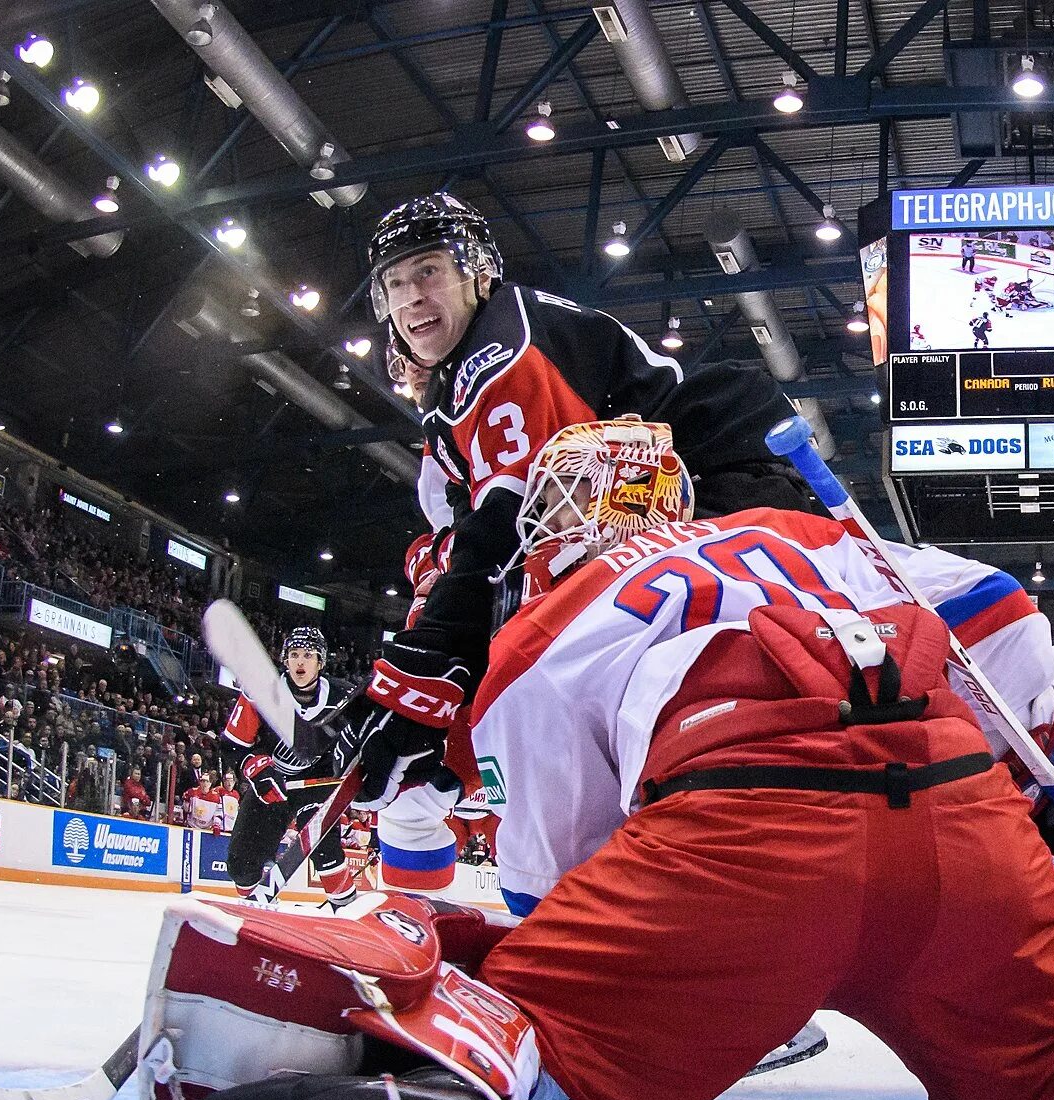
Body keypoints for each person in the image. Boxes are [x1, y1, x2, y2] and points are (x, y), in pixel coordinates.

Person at [138, 419, 1054, 1100]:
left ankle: (446, 1068)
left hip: (742, 837)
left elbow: (562, 883)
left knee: (516, 975)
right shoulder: (810, 533)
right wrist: (1052, 748)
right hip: (959, 827)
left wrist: (657, 975)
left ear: (570, 521)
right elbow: (996, 607)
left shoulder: (545, 624)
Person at [339, 192, 817, 816]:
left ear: (478, 271)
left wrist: (430, 659)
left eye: (427, 270)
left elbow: (516, 519)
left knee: (541, 707)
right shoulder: (457, 379)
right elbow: (503, 526)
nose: (409, 298)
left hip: (719, 502)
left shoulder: (503, 352)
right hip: (670, 520)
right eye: (394, 283)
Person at [220, 627, 356, 908]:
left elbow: (364, 737)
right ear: (285, 660)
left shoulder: (344, 697)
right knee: (241, 863)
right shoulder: (262, 692)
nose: (300, 662)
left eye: (308, 655)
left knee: (325, 851)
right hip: (272, 785)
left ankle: (348, 910)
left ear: (320, 662)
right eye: (294, 655)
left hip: (317, 783)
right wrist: (256, 768)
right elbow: (232, 745)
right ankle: (255, 911)